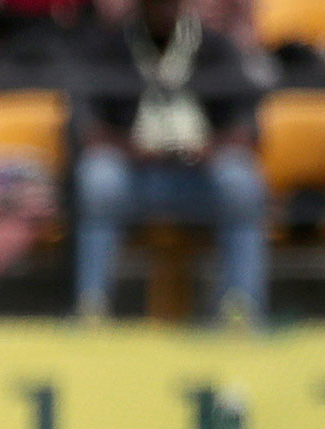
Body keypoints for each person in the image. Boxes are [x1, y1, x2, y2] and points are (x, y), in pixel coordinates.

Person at [69, 0, 266, 322]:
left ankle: (240, 309)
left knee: (240, 182)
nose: (164, 9)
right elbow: (86, 129)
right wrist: (132, 149)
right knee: (98, 177)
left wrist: (209, 149)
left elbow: (247, 129)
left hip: (199, 176)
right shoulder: (109, 48)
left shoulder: (215, 47)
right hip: (133, 176)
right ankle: (91, 305)